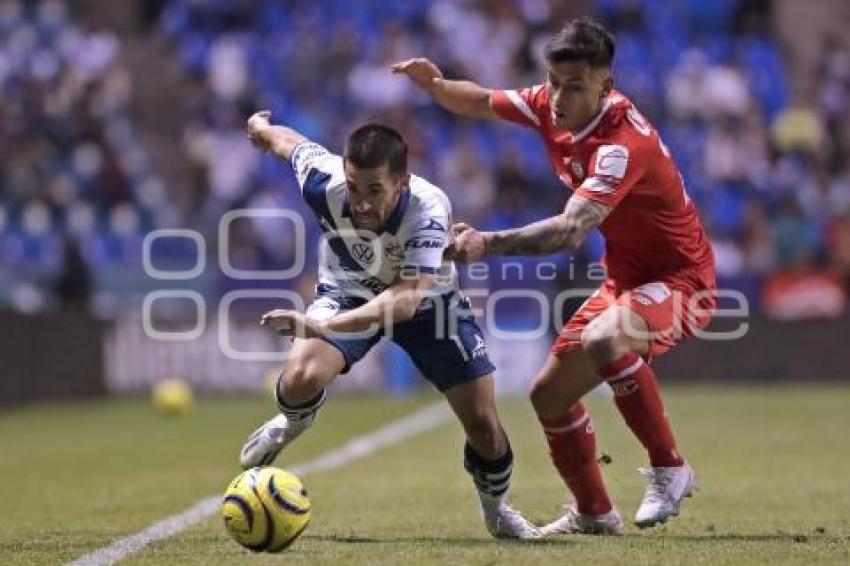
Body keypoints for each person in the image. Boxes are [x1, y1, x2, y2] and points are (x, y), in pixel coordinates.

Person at [393, 18, 716, 535]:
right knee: (548, 395)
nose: (559, 98)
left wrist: (489, 242)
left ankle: (670, 467)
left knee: (606, 337)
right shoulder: (548, 103)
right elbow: (478, 101)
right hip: (626, 281)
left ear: (605, 86)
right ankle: (594, 512)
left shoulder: (620, 146)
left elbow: (569, 230)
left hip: (683, 282)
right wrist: (435, 85)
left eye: (575, 86)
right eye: (555, 82)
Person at [238, 111, 539, 540]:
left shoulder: (428, 209)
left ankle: (496, 512)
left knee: (485, 430)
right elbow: (292, 145)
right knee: (299, 378)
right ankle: (291, 423)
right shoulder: (324, 180)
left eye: (375, 190)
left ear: (402, 181)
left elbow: (404, 299)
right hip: (349, 289)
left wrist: (322, 326)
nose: (360, 203)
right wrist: (261, 130)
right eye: (355, 187)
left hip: (428, 305)